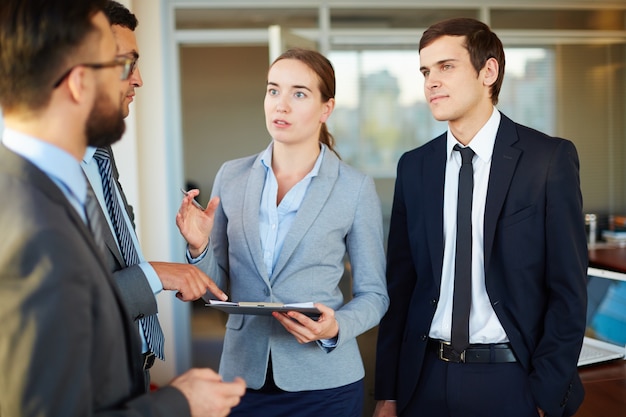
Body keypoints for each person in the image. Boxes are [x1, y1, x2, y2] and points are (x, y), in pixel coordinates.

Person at [0, 1, 245, 415]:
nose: (139, 80)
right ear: (79, 81)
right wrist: (180, 404)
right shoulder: (32, 228)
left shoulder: (50, 188)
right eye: (122, 64)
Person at [373, 18, 588, 417]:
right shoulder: (414, 167)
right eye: (425, 71)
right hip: (424, 379)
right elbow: (400, 289)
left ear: (488, 71)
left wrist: (545, 395)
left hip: (512, 381)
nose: (431, 82)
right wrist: (388, 392)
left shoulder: (548, 160)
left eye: (446, 67)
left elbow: (569, 292)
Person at [176, 47, 389, 416]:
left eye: (299, 94)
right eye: (273, 90)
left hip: (326, 386)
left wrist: (336, 327)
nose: (281, 105)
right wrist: (199, 248)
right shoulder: (232, 176)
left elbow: (374, 295)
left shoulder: (354, 188)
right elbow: (219, 286)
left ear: (326, 109)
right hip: (243, 380)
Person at [81, 0, 227, 379]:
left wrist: (197, 248)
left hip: (134, 368)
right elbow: (65, 306)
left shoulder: (101, 155)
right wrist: (156, 275)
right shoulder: (35, 178)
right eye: (127, 63)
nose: (139, 79)